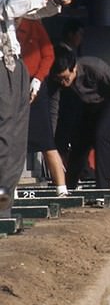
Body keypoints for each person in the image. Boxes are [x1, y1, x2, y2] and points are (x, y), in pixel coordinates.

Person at [2, 0, 73, 212]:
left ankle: (5, 203)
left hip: (15, 65)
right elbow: (10, 8)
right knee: (5, 132)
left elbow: (29, 7)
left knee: (16, 139)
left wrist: (55, 0)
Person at [46, 45, 110, 190]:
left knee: (101, 135)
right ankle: (69, 186)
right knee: (79, 142)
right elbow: (54, 107)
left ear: (74, 68)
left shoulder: (94, 66)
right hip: (88, 105)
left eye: (66, 78)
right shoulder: (58, 80)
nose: (63, 82)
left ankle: (103, 187)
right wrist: (52, 135)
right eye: (60, 79)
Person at [19, 19, 69, 195]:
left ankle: (61, 189)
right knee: (11, 141)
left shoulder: (33, 23)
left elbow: (48, 55)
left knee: (47, 141)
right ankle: (10, 189)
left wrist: (38, 79)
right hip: (11, 86)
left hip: (36, 84)